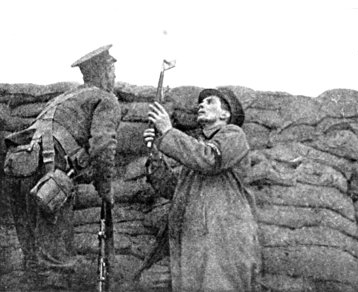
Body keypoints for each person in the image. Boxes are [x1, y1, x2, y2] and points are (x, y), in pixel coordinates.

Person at [3, 44, 121, 291]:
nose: (114, 76)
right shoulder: (106, 99)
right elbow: (103, 145)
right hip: (48, 174)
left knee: (34, 259)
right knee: (57, 263)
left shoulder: (65, 98)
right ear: (104, 72)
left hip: (17, 170)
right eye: (113, 70)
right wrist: (105, 187)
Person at [143, 88, 260, 291]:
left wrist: (169, 132)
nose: (201, 105)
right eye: (201, 102)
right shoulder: (195, 149)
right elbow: (173, 188)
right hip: (196, 241)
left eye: (209, 102)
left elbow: (210, 160)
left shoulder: (233, 135)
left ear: (225, 114)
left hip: (225, 238)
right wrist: (154, 154)